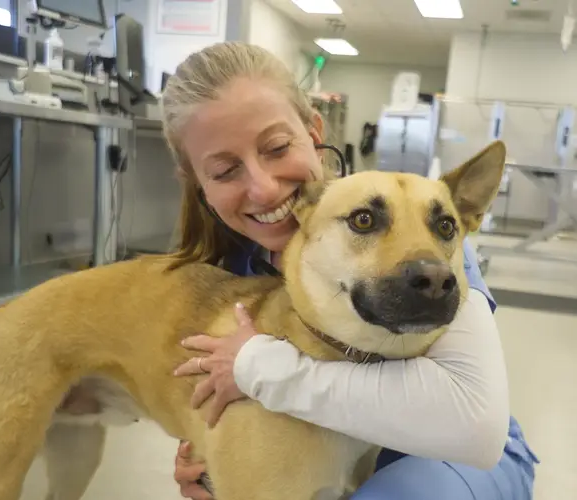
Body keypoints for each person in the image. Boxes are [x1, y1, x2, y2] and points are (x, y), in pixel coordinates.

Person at [160, 41, 539, 500]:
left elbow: (474, 424)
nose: (262, 188)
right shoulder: (231, 268)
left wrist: (259, 366)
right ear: (198, 184)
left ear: (314, 132)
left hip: (447, 458)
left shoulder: (428, 239)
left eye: (277, 148)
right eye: (224, 170)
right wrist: (209, 458)